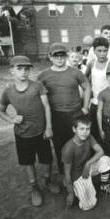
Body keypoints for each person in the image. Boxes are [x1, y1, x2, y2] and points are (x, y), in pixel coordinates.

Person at [0, 56, 60, 207]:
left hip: (41, 132)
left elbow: (46, 106)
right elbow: (0, 111)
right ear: (11, 71)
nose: (24, 72)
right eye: (19, 69)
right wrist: (12, 119)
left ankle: (47, 180)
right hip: (23, 134)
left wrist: (49, 127)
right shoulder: (8, 91)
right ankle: (34, 187)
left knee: (46, 159)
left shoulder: (37, 86)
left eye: (26, 69)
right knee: (27, 161)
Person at [38, 43, 91, 174]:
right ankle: (65, 174)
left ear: (66, 56)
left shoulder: (75, 72)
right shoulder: (43, 75)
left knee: (78, 142)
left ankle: (79, 172)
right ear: (50, 57)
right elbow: (38, 94)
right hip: (56, 115)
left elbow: (87, 87)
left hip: (75, 113)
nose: (59, 58)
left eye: (62, 55)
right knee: (60, 145)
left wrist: (85, 106)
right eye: (56, 56)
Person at [62, 115, 110, 211]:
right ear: (74, 129)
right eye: (81, 129)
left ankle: (104, 186)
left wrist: (87, 164)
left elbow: (101, 151)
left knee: (106, 160)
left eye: (87, 129)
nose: (85, 132)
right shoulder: (68, 148)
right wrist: (70, 193)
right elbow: (67, 174)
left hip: (87, 168)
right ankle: (74, 188)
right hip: (77, 175)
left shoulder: (89, 137)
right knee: (89, 205)